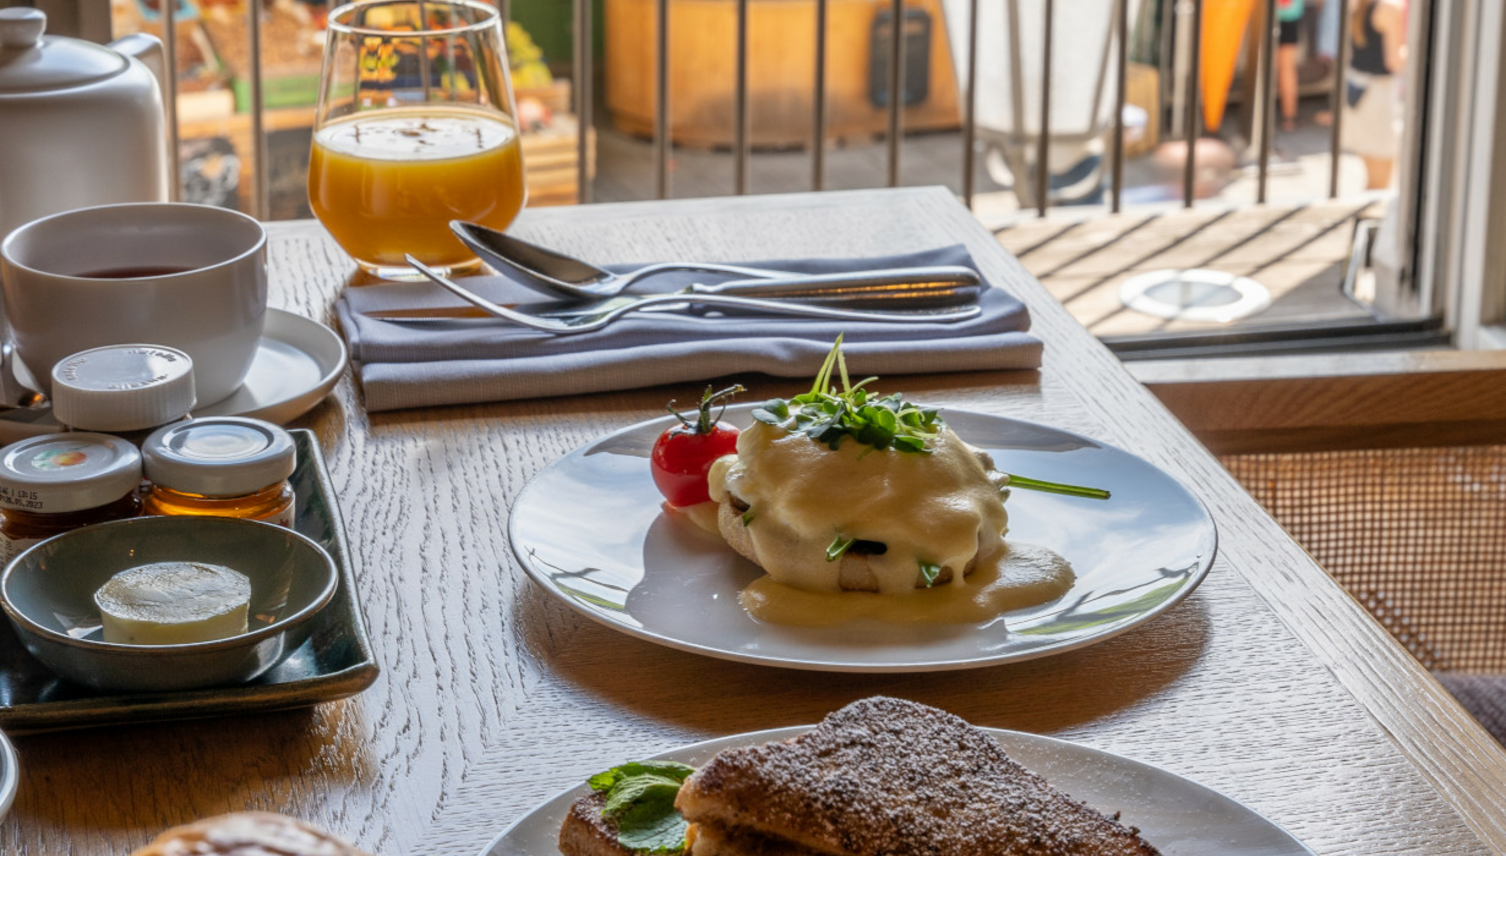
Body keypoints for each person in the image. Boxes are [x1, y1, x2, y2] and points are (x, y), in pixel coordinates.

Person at [1342, 0, 1407, 190]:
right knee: (1380, 184)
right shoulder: (1390, 7)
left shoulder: (1357, 3)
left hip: (1357, 93)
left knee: (1374, 180)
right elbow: (1395, 61)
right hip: (1379, 97)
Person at [1276, 0, 1305, 132]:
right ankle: (1289, 118)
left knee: (1284, 68)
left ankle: (1289, 117)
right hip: (1287, 14)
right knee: (1286, 68)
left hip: (1278, 14)